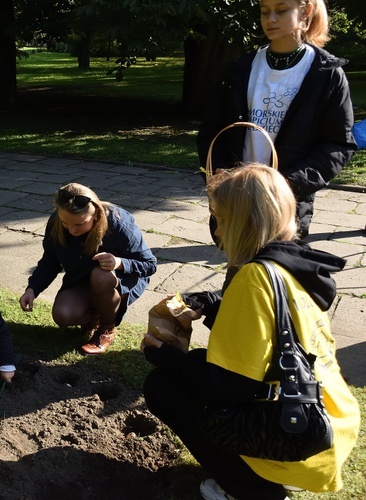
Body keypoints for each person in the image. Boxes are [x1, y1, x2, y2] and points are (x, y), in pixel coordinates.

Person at [142, 165, 359, 500]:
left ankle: (252, 489)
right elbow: (269, 325)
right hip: (326, 422)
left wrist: (167, 357)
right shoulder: (293, 265)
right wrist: (212, 302)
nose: (216, 229)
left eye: (220, 218)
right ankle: (253, 475)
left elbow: (229, 388)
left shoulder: (252, 279)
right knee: (195, 371)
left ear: (241, 222)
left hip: (293, 437)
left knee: (163, 387)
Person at [198, 0, 357, 240]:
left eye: (281, 10)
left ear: (306, 12)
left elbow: (338, 145)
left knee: (276, 273)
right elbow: (211, 131)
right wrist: (219, 174)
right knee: (240, 272)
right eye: (264, 11)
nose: (270, 19)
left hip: (285, 207)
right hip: (236, 203)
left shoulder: (326, 75)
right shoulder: (239, 69)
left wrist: (286, 184)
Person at [19, 183, 157, 355]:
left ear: (96, 214)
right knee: (63, 315)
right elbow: (49, 262)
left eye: (79, 224)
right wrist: (32, 289)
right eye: (65, 223)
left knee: (101, 275)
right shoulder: (56, 223)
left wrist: (119, 263)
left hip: (117, 281)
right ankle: (98, 314)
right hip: (81, 279)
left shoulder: (119, 223)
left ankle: (107, 328)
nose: (71, 230)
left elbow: (149, 265)